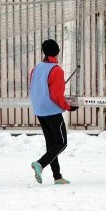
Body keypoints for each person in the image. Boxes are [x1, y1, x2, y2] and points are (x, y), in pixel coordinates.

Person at [29, 39, 79, 185]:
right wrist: (69, 107)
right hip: (52, 110)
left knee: (52, 144)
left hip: (39, 110)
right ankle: (40, 163)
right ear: (57, 52)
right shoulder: (56, 70)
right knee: (61, 143)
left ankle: (57, 176)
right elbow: (56, 95)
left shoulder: (36, 68)